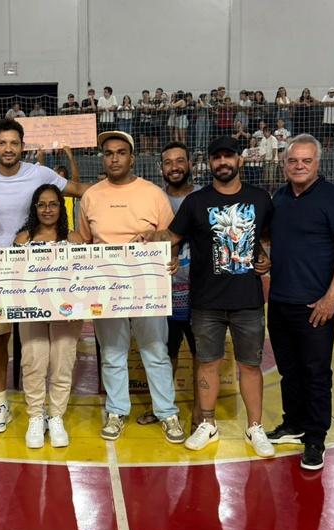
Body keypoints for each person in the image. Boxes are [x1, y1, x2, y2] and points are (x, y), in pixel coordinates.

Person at [144, 136, 276, 457]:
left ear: (239, 161)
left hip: (247, 301)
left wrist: (265, 255)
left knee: (250, 365)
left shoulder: (260, 199)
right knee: (207, 365)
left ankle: (255, 427)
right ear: (210, 163)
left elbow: (268, 238)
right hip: (205, 303)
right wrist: (150, 238)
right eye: (216, 157)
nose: (222, 162)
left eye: (228, 156)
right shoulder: (196, 202)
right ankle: (208, 423)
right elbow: (172, 236)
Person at [0, 118, 88, 434]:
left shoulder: (41, 174)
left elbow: (78, 190)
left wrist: (122, 190)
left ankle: (49, 412)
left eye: (14, 143)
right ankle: (2, 403)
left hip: (42, 272)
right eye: (2, 143)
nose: (8, 148)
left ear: (23, 145)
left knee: (44, 349)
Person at [79, 130, 184, 443]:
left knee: (155, 351)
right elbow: (83, 241)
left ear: (132, 158)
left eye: (121, 152)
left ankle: (167, 412)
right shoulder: (91, 196)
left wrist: (170, 254)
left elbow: (170, 238)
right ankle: (116, 410)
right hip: (106, 289)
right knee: (112, 353)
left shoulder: (153, 194)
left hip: (147, 288)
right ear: (103, 157)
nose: (114, 158)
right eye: (108, 153)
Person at [266, 134, 334, 470]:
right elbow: (271, 240)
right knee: (289, 370)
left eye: (306, 160)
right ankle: (294, 423)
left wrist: (331, 297)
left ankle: (315, 436)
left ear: (317, 163)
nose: (299, 166)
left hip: (315, 304)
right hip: (278, 301)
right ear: (284, 164)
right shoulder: (279, 197)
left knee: (316, 372)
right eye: (293, 161)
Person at [14, 185, 83, 448]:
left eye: (53, 204)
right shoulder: (23, 240)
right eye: (41, 204)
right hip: (31, 309)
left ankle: (55, 416)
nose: (47, 209)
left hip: (67, 312)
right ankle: (35, 416)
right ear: (34, 208)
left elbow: (84, 277)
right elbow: (11, 276)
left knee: (62, 361)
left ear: (61, 207)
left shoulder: (75, 239)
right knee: (33, 360)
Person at [134, 142, 199, 428]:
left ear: (190, 164)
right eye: (168, 162)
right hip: (161, 294)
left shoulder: (203, 198)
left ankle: (201, 413)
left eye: (180, 161)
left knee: (202, 355)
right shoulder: (152, 199)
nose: (174, 167)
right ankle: (163, 409)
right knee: (164, 353)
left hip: (200, 294)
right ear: (161, 168)